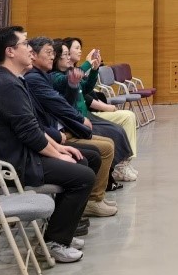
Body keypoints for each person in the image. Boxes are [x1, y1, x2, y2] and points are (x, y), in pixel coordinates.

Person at [0, 26, 95, 264]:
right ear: (10, 51)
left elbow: (34, 127)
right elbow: (30, 133)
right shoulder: (6, 84)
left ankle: (58, 230)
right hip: (17, 163)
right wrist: (58, 155)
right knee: (83, 176)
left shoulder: (11, 80)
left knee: (86, 158)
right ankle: (54, 243)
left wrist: (60, 149)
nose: (30, 49)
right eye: (25, 44)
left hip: (25, 152)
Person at [25, 38, 124, 216]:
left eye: (54, 53)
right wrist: (72, 124)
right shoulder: (39, 78)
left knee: (108, 142)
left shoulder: (42, 76)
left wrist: (78, 80)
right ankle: (92, 200)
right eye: (52, 53)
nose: (69, 57)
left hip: (62, 129)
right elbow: (55, 107)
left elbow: (71, 98)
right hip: (54, 135)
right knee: (103, 149)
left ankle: (93, 199)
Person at [52, 41, 138, 180]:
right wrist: (88, 63)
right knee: (114, 133)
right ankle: (117, 169)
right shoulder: (55, 76)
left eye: (69, 54)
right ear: (57, 57)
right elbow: (69, 79)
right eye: (66, 54)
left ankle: (122, 164)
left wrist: (94, 70)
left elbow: (86, 88)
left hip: (83, 116)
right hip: (74, 122)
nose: (68, 57)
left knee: (117, 129)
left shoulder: (68, 72)